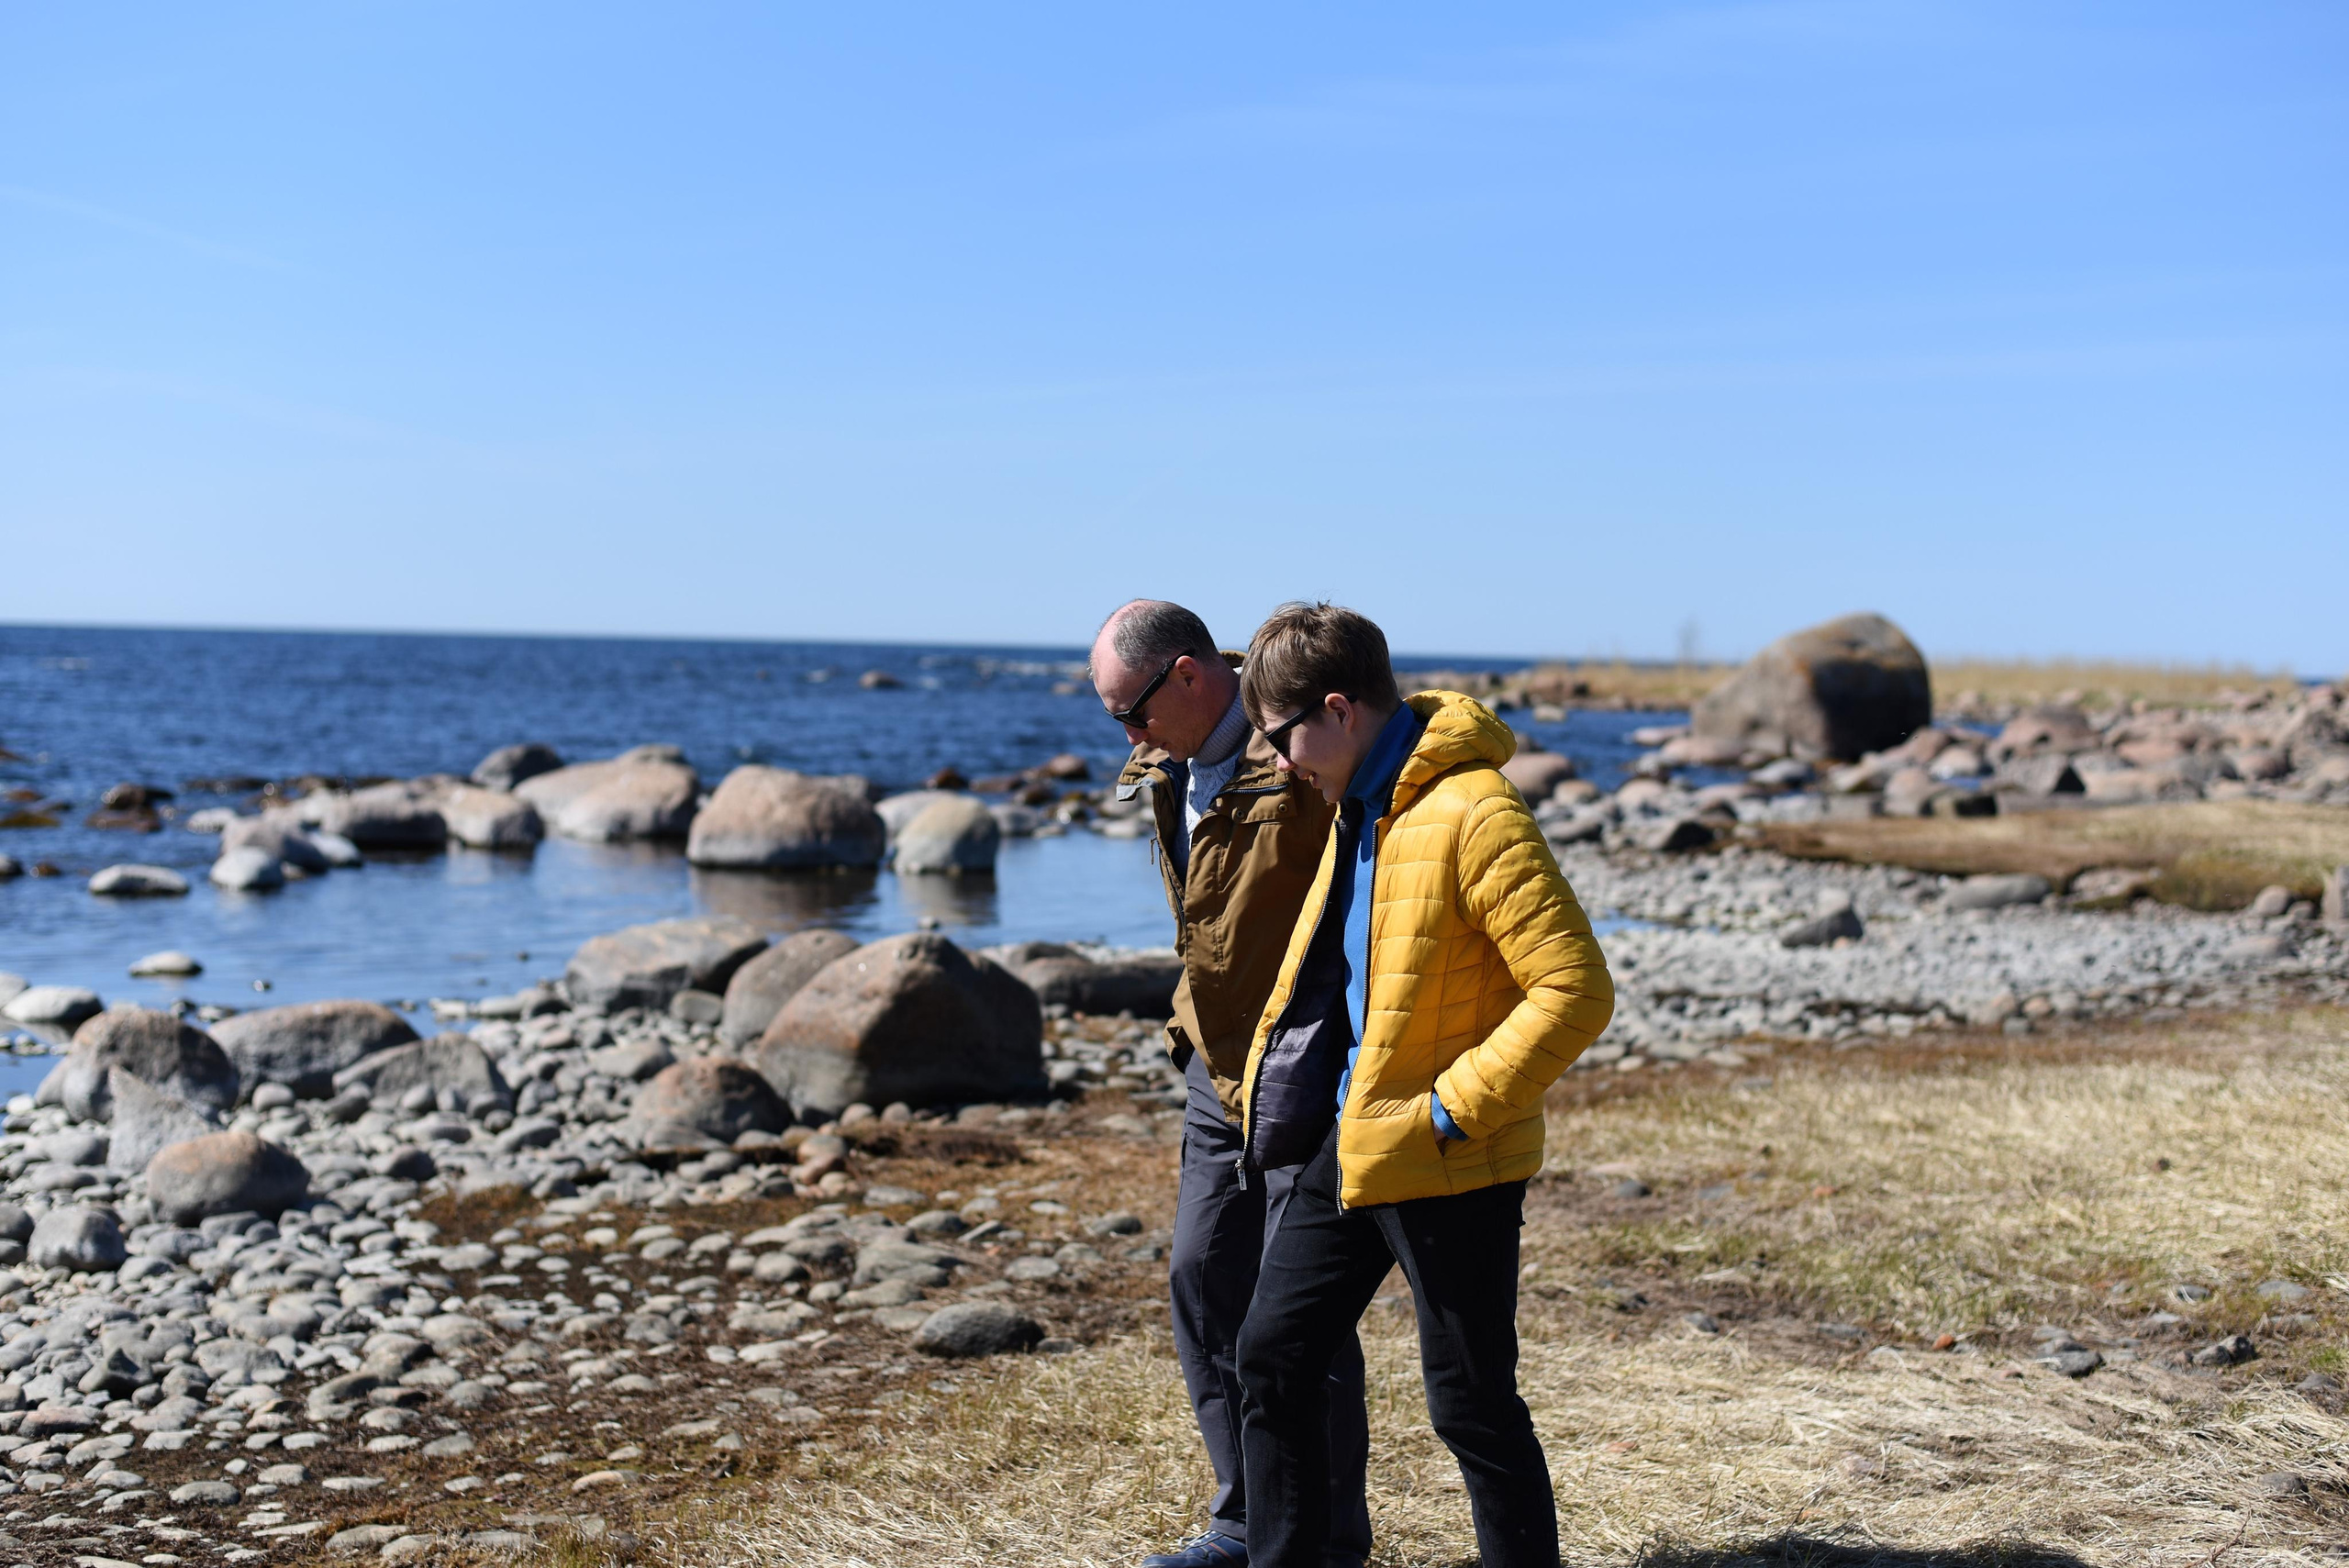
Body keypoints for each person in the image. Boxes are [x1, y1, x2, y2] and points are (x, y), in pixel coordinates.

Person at [1230, 602, 1615, 1568]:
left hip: (1450, 1154)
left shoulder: (1472, 808)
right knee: (1272, 1357)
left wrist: (1451, 1109)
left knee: (1471, 1404)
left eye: (1280, 738)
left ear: (1338, 707)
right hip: (1356, 1133)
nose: (1278, 761)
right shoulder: (1364, 802)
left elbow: (1574, 987)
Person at [1089, 600, 1371, 1568]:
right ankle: (1246, 1518)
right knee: (1203, 1277)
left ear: (1187, 674)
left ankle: (1328, 1537)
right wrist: (1185, 1023)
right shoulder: (1165, 762)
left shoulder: (1295, 739)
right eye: (1112, 718)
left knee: (1301, 1312)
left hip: (1305, 1060)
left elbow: (1363, 879)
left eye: (1130, 710)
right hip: (1216, 1065)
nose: (1125, 735)